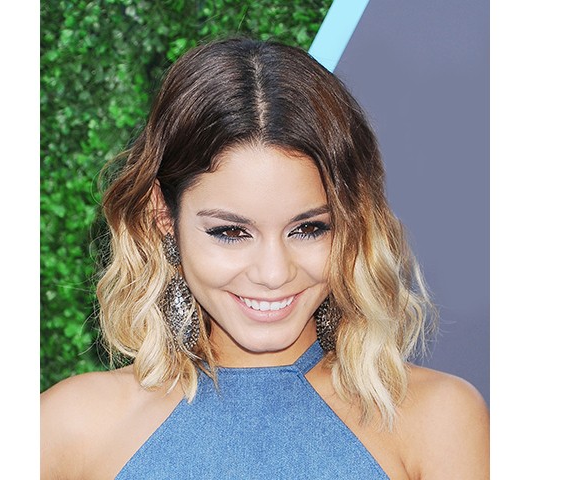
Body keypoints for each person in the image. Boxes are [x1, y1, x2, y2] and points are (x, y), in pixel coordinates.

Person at [41, 38, 489, 479]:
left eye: (309, 229)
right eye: (231, 233)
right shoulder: (69, 427)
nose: (274, 273)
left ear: (351, 223)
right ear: (164, 215)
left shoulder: (438, 420)